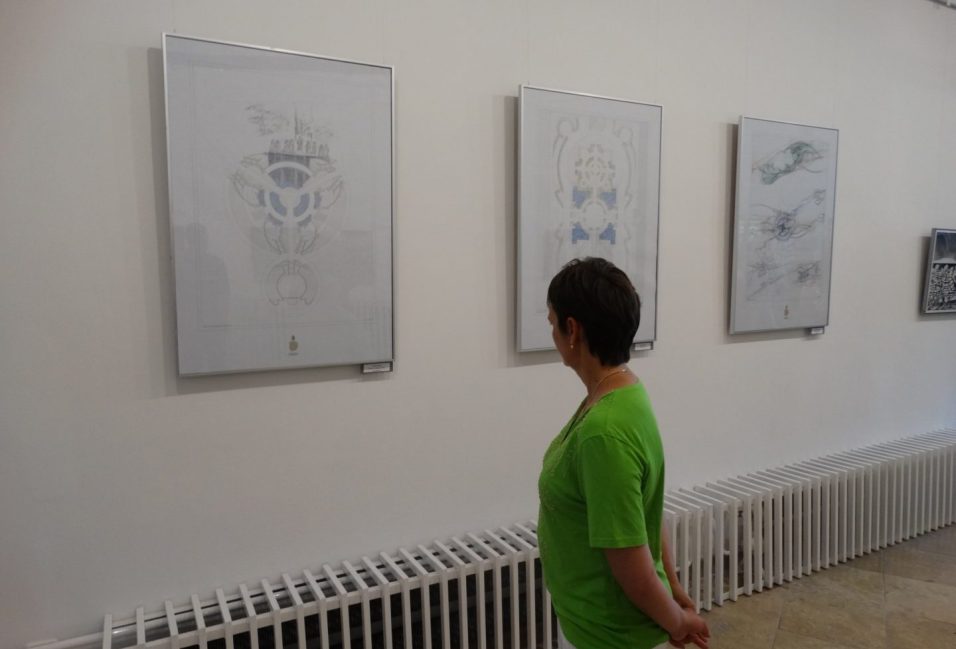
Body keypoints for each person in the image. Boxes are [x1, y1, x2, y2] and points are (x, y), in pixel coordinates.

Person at [537, 257, 710, 649]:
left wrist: (678, 622)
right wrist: (674, 590)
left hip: (610, 635)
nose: (552, 333)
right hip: (596, 623)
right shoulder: (624, 394)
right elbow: (644, 513)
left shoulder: (605, 431)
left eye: (552, 322)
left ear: (572, 329)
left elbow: (632, 567)